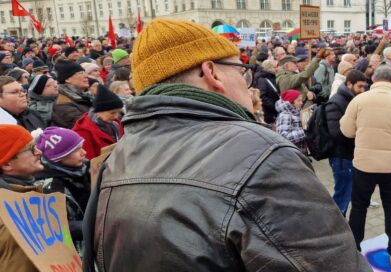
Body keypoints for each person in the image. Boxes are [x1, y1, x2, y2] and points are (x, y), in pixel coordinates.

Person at [82, 19, 370, 272]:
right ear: (212, 73)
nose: (248, 82)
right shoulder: (261, 154)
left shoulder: (113, 163)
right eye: (241, 69)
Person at [340, 65, 391, 268]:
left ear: (373, 80)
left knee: (358, 207)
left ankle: (354, 248)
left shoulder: (359, 100)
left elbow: (347, 131)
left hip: (364, 165)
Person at [34, 127, 90, 245]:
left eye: (82, 147)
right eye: (76, 150)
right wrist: (91, 227)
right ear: (59, 157)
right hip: (75, 250)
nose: (84, 153)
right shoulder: (50, 187)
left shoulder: (86, 168)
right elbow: (55, 228)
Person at [0, 124, 43, 272]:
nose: (39, 151)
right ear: (6, 164)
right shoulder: (5, 209)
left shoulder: (28, 193)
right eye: (31, 149)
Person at [325, 70, 368, 216]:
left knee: (347, 194)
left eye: (364, 87)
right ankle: (336, 228)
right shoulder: (336, 102)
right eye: (359, 87)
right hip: (342, 157)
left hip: (350, 155)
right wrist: (361, 132)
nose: (362, 90)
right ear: (349, 84)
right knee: (342, 197)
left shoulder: (353, 100)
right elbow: (336, 133)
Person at [72, 85, 124, 160]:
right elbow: (87, 162)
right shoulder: (84, 131)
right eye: (112, 113)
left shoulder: (115, 123)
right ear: (98, 112)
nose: (116, 117)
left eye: (118, 112)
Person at [52, 60, 93, 128]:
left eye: (85, 72)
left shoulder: (86, 96)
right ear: (67, 79)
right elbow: (85, 126)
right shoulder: (63, 103)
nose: (86, 76)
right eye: (81, 73)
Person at [275, 90, 307, 155]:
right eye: (299, 100)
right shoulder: (285, 115)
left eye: (301, 100)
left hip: (298, 152)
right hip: (292, 154)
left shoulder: (295, 112)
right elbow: (284, 138)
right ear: (291, 102)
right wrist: (304, 132)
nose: (301, 103)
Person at [255, 59, 280, 124]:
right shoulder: (262, 79)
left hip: (273, 111)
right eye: (275, 67)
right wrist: (275, 106)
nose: (277, 69)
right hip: (269, 113)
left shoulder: (271, 77)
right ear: (268, 68)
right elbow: (262, 96)